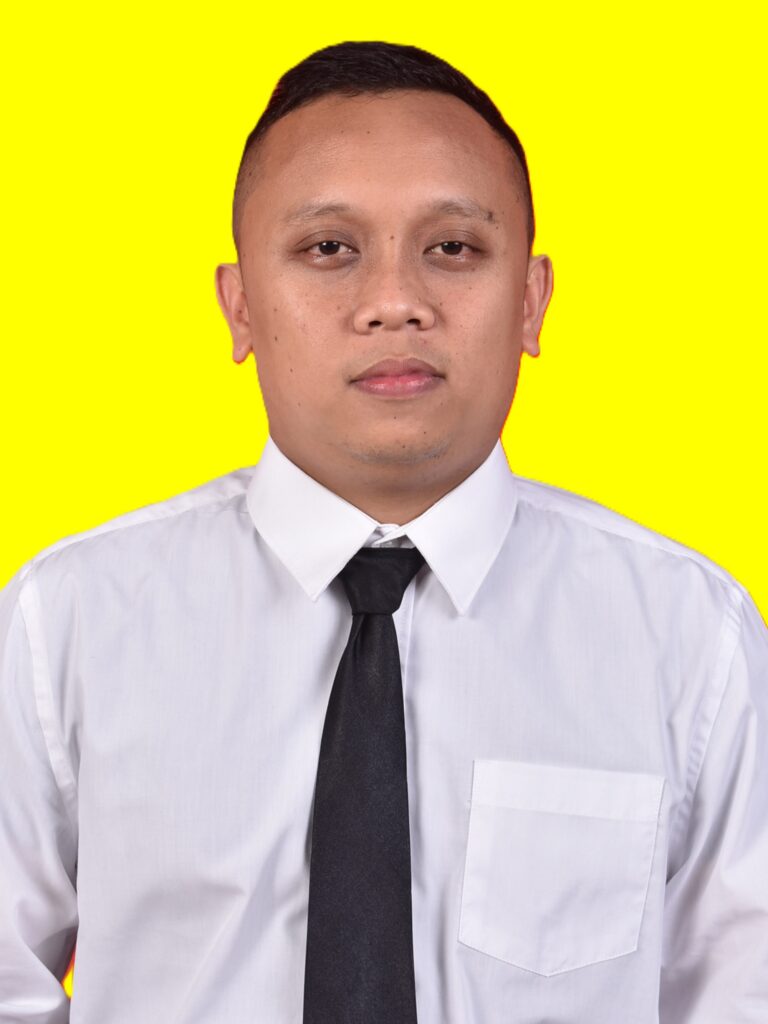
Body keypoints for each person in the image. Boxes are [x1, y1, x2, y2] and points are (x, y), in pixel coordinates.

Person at [0, 39, 766, 1024]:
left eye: (453, 248)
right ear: (240, 307)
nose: (395, 303)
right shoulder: (65, 626)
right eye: (329, 249)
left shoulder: (688, 639)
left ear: (531, 301)